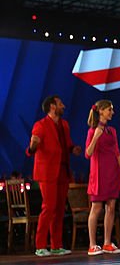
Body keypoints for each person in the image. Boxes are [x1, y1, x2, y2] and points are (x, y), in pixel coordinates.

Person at [26, 95, 81, 256]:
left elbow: (67, 144)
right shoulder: (40, 125)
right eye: (60, 104)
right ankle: (40, 245)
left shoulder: (64, 125)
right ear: (52, 106)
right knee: (49, 207)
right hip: (47, 172)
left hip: (62, 171)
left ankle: (56, 245)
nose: (63, 106)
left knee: (59, 209)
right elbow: (31, 150)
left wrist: (73, 149)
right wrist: (32, 146)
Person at [84, 100, 120, 255]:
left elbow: (117, 153)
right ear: (101, 111)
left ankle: (107, 242)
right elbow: (88, 153)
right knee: (96, 208)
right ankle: (92, 245)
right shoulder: (92, 131)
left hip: (112, 173)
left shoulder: (112, 131)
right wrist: (96, 137)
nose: (112, 112)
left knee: (111, 207)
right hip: (99, 174)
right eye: (110, 109)